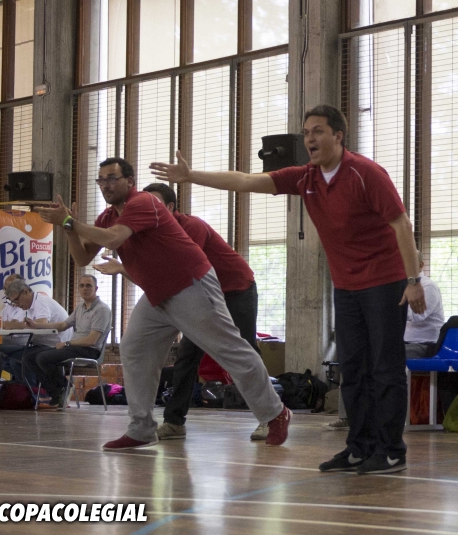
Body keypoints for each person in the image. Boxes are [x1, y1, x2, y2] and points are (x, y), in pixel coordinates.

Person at [151, 105, 424, 475]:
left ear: (338, 136)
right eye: (306, 132)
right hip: (346, 286)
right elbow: (245, 181)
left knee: (384, 368)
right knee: (354, 369)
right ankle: (359, 448)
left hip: (385, 282)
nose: (310, 138)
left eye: (318, 131)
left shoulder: (366, 173)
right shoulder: (305, 177)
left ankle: (391, 451)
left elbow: (401, 224)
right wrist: (190, 175)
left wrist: (413, 281)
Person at [40, 157, 290, 451]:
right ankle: (142, 428)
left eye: (112, 178)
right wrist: (69, 229)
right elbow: (82, 257)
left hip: (190, 285)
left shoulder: (143, 202)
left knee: (230, 349)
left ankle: (275, 413)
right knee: (134, 348)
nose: (106, 185)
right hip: (157, 293)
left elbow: (113, 239)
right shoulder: (107, 216)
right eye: (101, 180)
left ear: (130, 181)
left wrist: (70, 222)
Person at [93, 182, 266, 441]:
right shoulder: (146, 234)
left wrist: (123, 268)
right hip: (197, 298)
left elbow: (180, 271)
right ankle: (174, 422)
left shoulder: (190, 227)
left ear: (170, 207)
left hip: (235, 289)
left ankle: (269, 418)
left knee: (243, 349)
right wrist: (123, 267)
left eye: (154, 204)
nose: (146, 210)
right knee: (187, 356)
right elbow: (158, 279)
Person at [25, 274, 111, 409]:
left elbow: (91, 340)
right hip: (74, 347)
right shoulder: (80, 307)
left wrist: (67, 343)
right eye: (81, 285)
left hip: (90, 350)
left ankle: (64, 387)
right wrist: (37, 325)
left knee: (43, 358)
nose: (85, 288)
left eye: (88, 285)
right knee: (29, 358)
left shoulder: (102, 310)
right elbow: (63, 325)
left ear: (96, 288)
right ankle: (57, 391)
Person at [404, 252, 444, 359]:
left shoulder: (428, 286)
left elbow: (416, 315)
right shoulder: (402, 285)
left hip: (425, 344)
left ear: (420, 265)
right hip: (405, 343)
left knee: (392, 357)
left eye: (408, 262)